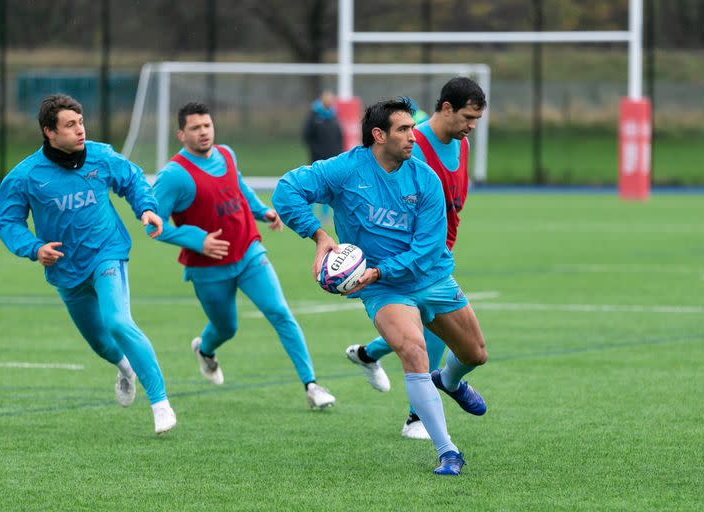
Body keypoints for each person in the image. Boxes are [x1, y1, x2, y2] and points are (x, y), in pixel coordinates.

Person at [272, 97, 489, 476]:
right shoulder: (346, 170)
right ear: (378, 135)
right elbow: (287, 190)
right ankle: (448, 451)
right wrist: (319, 235)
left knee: (475, 354)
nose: (412, 137)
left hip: (430, 276)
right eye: (404, 130)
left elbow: (427, 250)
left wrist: (378, 270)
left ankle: (450, 381)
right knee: (414, 352)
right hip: (384, 290)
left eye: (412, 128)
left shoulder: (425, 180)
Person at [0, 93, 177, 435]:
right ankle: (125, 368)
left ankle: (160, 403)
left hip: (106, 253)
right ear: (49, 132)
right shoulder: (26, 176)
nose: (80, 130)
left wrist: (146, 208)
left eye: (81, 122)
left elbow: (133, 179)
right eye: (70, 125)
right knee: (101, 343)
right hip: (65, 269)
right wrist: (34, 248)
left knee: (118, 322)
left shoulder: (101, 155)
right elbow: (7, 221)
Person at [148, 102, 336, 409]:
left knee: (279, 312)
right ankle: (205, 351)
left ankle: (312, 385)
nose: (203, 132)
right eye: (195, 128)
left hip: (249, 251)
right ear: (181, 134)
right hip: (208, 268)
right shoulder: (173, 176)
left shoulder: (226, 154)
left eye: (207, 125)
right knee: (226, 328)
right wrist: (197, 240)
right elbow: (153, 226)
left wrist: (263, 211)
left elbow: (238, 188)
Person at [345, 78, 486, 441]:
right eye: (468, 117)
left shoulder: (462, 143)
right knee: (425, 329)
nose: (472, 126)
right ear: (446, 109)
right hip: (411, 254)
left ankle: (367, 354)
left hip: (438, 246)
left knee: (438, 332)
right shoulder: (413, 147)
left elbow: (456, 195)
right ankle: (415, 417)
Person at [302, 90, 343, 223]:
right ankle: (309, 213)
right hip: (316, 158)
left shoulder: (334, 116)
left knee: (328, 188)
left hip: (331, 159)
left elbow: (339, 136)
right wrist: (316, 150)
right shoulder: (313, 116)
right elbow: (306, 136)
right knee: (313, 186)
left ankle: (325, 216)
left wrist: (338, 152)